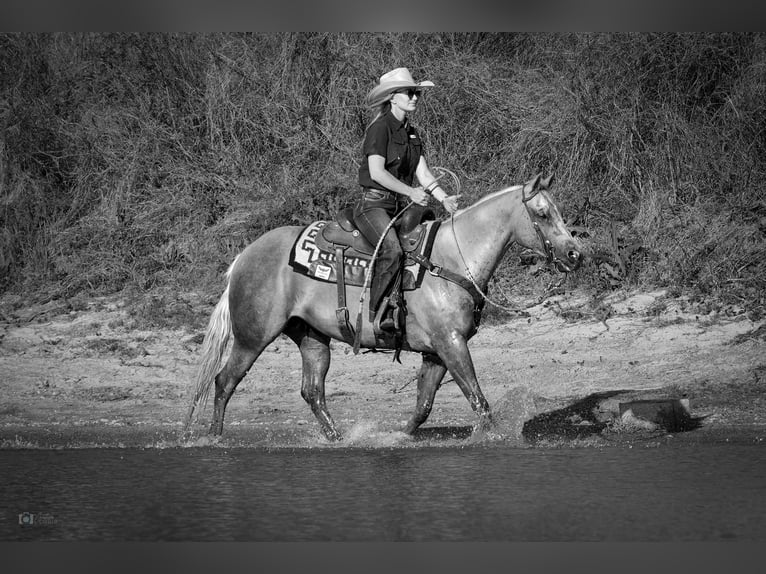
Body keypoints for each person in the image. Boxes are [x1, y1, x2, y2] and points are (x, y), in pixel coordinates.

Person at [355, 67, 460, 332]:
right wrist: (410, 192)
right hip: (373, 205)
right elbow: (377, 173)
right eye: (409, 92)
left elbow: (423, 173)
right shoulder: (379, 129)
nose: (415, 97)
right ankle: (379, 314)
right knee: (392, 249)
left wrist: (444, 198)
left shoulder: (412, 133)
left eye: (417, 93)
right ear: (392, 97)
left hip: (399, 207)